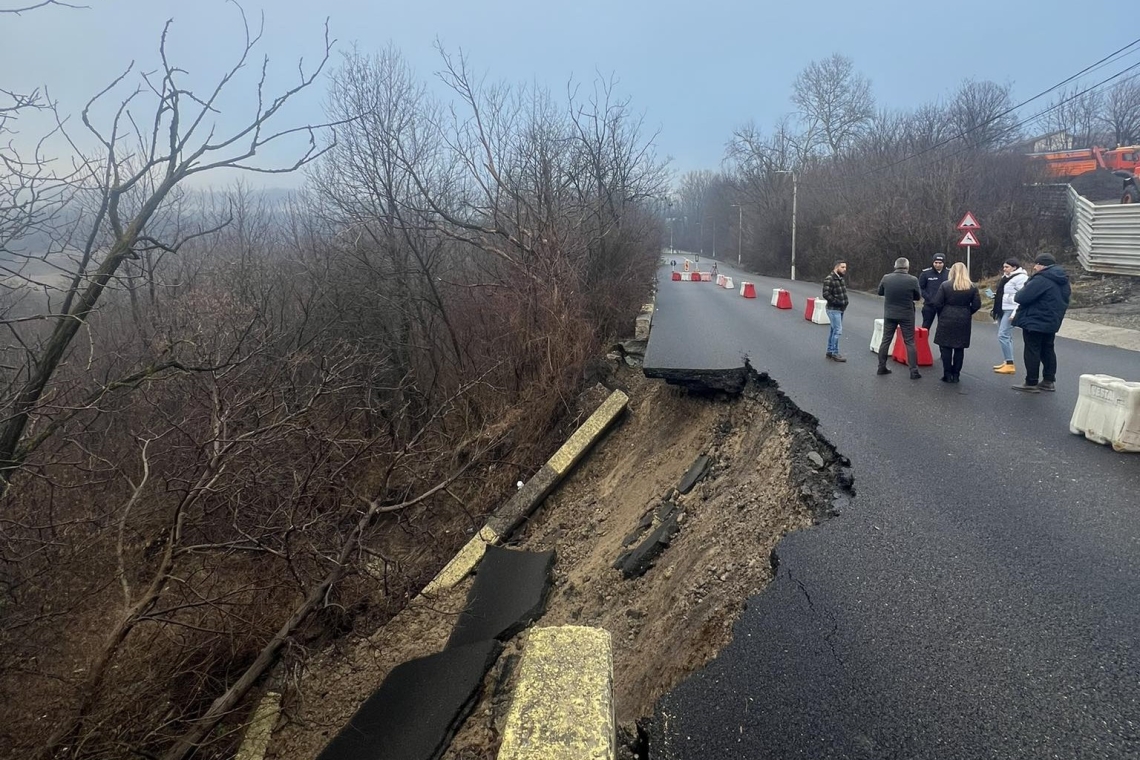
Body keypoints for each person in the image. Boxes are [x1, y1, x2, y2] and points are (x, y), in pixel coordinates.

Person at [1011, 252, 1071, 393]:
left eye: (1037, 264)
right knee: (1048, 349)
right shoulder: (1063, 280)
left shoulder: (1042, 279)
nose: (1035, 267)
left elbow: (1021, 297)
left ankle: (1031, 382)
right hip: (1052, 320)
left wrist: (1026, 286)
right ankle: (1049, 381)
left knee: (1032, 350)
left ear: (1042, 265)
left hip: (1035, 320)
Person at [930, 262, 981, 383]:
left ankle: (947, 374)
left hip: (947, 316)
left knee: (946, 346)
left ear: (952, 271)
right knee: (959, 348)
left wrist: (943, 312)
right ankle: (956, 375)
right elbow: (977, 305)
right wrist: (967, 312)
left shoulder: (945, 285)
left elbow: (937, 303)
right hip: (964, 318)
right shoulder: (972, 287)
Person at [876, 257, 923, 379]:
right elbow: (918, 297)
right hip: (906, 314)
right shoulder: (912, 280)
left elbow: (880, 292)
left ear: (895, 266)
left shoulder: (886, 278)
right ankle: (914, 371)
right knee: (910, 342)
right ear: (907, 267)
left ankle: (881, 367)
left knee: (886, 340)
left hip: (890, 313)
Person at [991, 258, 1028, 374]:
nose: (1004, 269)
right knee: (1007, 336)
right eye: (1004, 267)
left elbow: (1022, 297)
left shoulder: (1021, 278)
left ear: (1014, 267)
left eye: (1007, 267)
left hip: (1010, 309)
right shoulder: (1006, 277)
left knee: (1003, 335)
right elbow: (1006, 293)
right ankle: (1007, 361)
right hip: (1002, 308)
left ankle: (1010, 364)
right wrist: (996, 296)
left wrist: (1015, 313)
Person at [821, 260, 849, 362]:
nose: (844, 269)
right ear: (836, 267)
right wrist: (837, 302)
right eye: (842, 267)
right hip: (833, 309)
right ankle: (834, 352)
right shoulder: (830, 279)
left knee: (833, 330)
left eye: (845, 267)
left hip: (840, 309)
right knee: (837, 331)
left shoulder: (840, 278)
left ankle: (830, 351)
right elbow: (826, 294)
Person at [918, 254, 949, 329]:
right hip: (929, 304)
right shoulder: (926, 273)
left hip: (944, 305)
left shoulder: (949, 273)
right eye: (936, 263)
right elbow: (920, 288)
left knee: (944, 327)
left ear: (944, 263)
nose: (937, 265)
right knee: (926, 326)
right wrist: (929, 298)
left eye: (940, 263)